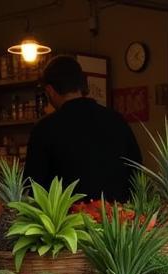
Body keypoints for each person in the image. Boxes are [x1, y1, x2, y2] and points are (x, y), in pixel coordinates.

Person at [23, 55, 141, 202]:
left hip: (67, 222)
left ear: (50, 91)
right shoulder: (117, 120)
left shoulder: (44, 130)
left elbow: (32, 188)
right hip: (119, 218)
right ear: (83, 84)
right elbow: (137, 173)